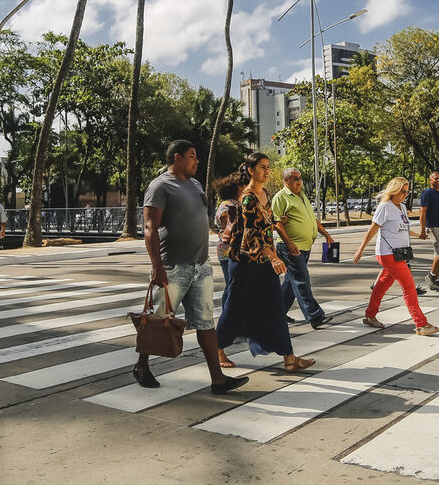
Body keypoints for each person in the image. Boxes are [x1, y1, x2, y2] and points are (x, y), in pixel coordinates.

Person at [134, 140, 248, 394]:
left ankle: (218, 380)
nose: (197, 161)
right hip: (172, 267)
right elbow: (150, 228)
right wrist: (157, 266)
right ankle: (142, 366)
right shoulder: (159, 186)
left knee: (206, 323)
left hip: (201, 266)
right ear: (177, 158)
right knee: (157, 322)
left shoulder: (195, 184)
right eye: (192, 156)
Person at [216, 153, 316, 372]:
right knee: (234, 306)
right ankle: (218, 348)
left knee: (274, 307)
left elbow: (267, 228)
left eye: (268, 167)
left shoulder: (264, 194)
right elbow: (251, 233)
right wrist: (274, 256)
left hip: (263, 260)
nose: (267, 171)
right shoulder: (248, 197)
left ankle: (289, 357)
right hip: (244, 262)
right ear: (251, 171)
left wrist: (273, 250)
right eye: (262, 167)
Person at [352, 176, 439, 335]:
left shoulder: (402, 206)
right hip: (388, 254)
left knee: (381, 285)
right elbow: (373, 229)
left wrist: (417, 235)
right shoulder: (385, 206)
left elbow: (403, 229)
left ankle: (370, 315)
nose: (405, 194)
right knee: (409, 287)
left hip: (399, 254)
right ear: (393, 190)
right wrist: (360, 249)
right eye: (402, 191)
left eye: (407, 191)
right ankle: (421, 324)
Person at [272, 168, 334, 329]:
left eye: (300, 178)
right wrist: (289, 243)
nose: (299, 181)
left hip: (304, 246)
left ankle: (276, 314)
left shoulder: (302, 196)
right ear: (286, 181)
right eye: (294, 178)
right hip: (290, 246)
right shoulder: (281, 197)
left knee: (291, 282)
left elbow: (312, 219)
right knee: (301, 281)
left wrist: (325, 234)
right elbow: (277, 222)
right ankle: (314, 316)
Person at [212, 171, 244, 368]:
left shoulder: (234, 204)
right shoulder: (228, 205)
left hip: (234, 250)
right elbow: (227, 229)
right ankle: (228, 320)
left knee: (233, 287)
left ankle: (232, 320)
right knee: (232, 287)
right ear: (236, 188)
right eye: (241, 185)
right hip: (229, 251)